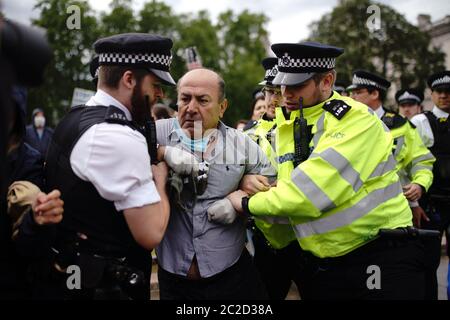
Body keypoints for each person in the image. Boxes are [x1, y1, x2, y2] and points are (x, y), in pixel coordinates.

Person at [228, 41, 426, 300]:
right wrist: (246, 179)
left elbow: (307, 195)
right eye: (282, 84)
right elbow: (280, 187)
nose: (285, 93)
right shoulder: (290, 121)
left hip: (377, 255)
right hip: (325, 262)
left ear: (327, 80)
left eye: (297, 85)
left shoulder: (356, 120)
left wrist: (245, 202)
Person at [41, 33, 179, 300]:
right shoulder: (118, 136)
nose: (161, 94)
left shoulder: (76, 117)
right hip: (105, 286)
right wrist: (161, 181)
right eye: (156, 84)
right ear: (129, 79)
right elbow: (150, 234)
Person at [155, 68, 275, 300]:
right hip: (174, 281)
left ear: (222, 107)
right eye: (185, 98)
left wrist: (239, 199)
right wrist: (162, 152)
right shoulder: (156, 133)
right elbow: (116, 145)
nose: (191, 108)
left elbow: (273, 184)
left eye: (202, 100)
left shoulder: (242, 145)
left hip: (231, 276)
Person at [245, 57, 305, 300]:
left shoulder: (307, 128)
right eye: (268, 91)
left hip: (306, 237)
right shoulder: (247, 135)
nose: (272, 98)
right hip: (267, 239)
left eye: (278, 90)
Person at [348, 70, 435, 231]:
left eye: (357, 92)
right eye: (351, 93)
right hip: (353, 212)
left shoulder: (400, 125)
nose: (351, 97)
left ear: (374, 94)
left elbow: (421, 161)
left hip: (393, 212)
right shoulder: (344, 123)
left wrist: (418, 184)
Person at [411, 70, 450, 300]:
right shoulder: (420, 122)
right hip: (430, 205)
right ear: (432, 94)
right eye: (439, 92)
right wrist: (414, 201)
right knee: (428, 263)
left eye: (448, 92)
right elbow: (411, 163)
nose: (444, 96)